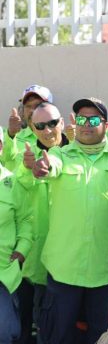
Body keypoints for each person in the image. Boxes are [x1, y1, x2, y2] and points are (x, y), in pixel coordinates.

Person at [31, 97, 108, 344]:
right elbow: (51, 166)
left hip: (105, 269)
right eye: (81, 119)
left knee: (99, 336)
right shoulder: (60, 154)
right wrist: (43, 167)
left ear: (106, 126)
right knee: (58, 336)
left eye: (93, 120)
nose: (86, 125)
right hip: (63, 268)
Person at [14, 102, 69, 344]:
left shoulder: (78, 153)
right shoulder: (26, 157)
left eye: (52, 123)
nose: (47, 130)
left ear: (62, 123)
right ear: (32, 129)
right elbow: (19, 193)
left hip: (71, 260)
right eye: (40, 126)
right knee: (35, 325)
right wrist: (27, 169)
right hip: (37, 260)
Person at [0, 126, 33, 342]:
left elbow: (26, 220)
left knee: (4, 332)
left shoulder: (11, 182)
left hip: (3, 273)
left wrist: (22, 250)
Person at [1, 85, 53, 172]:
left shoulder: (60, 138)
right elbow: (5, 158)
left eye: (38, 105)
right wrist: (11, 135)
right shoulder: (11, 136)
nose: (32, 110)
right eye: (28, 106)